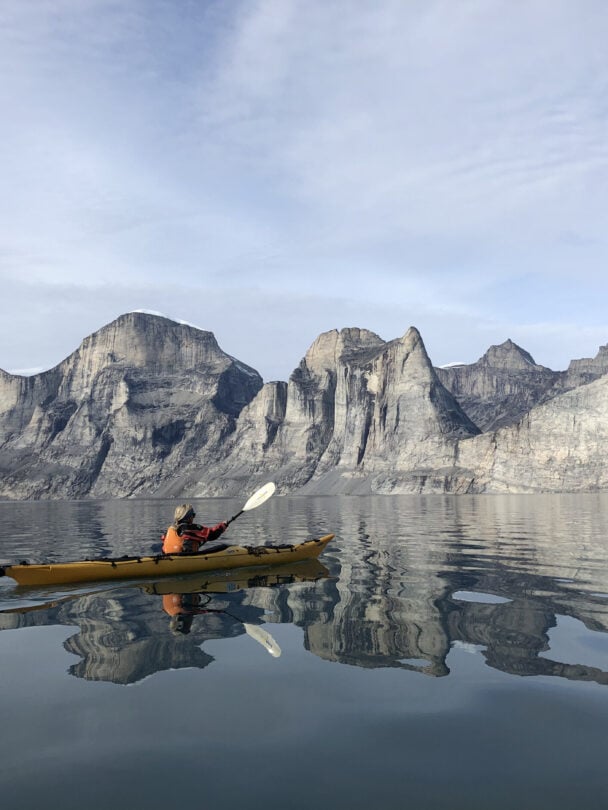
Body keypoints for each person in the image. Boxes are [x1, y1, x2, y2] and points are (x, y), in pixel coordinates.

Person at [162, 503, 228, 554]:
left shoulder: (170, 529)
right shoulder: (190, 528)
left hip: (167, 556)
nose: (193, 517)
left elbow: (163, 538)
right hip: (184, 559)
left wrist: (197, 542)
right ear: (189, 517)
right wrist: (223, 525)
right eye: (193, 515)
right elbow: (212, 534)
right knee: (224, 547)